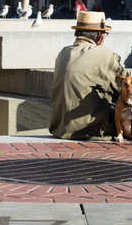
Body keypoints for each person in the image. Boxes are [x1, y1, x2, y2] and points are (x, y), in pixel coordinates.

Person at [50, 11, 128, 140]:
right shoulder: (104, 55)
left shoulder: (63, 52)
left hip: (60, 128)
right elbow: (130, 87)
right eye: (104, 33)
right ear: (99, 35)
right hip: (89, 129)